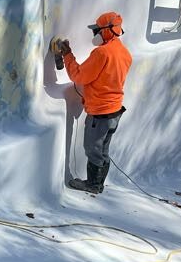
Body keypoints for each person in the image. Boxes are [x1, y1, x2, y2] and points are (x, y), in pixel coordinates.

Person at [53, 11, 132, 194]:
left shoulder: (102, 53)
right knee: (103, 150)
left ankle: (93, 185)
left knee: (92, 149)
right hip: (115, 111)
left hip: (101, 113)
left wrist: (67, 54)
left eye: (96, 30)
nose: (94, 33)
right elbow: (105, 80)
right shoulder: (124, 53)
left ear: (107, 31)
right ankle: (99, 183)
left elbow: (79, 76)